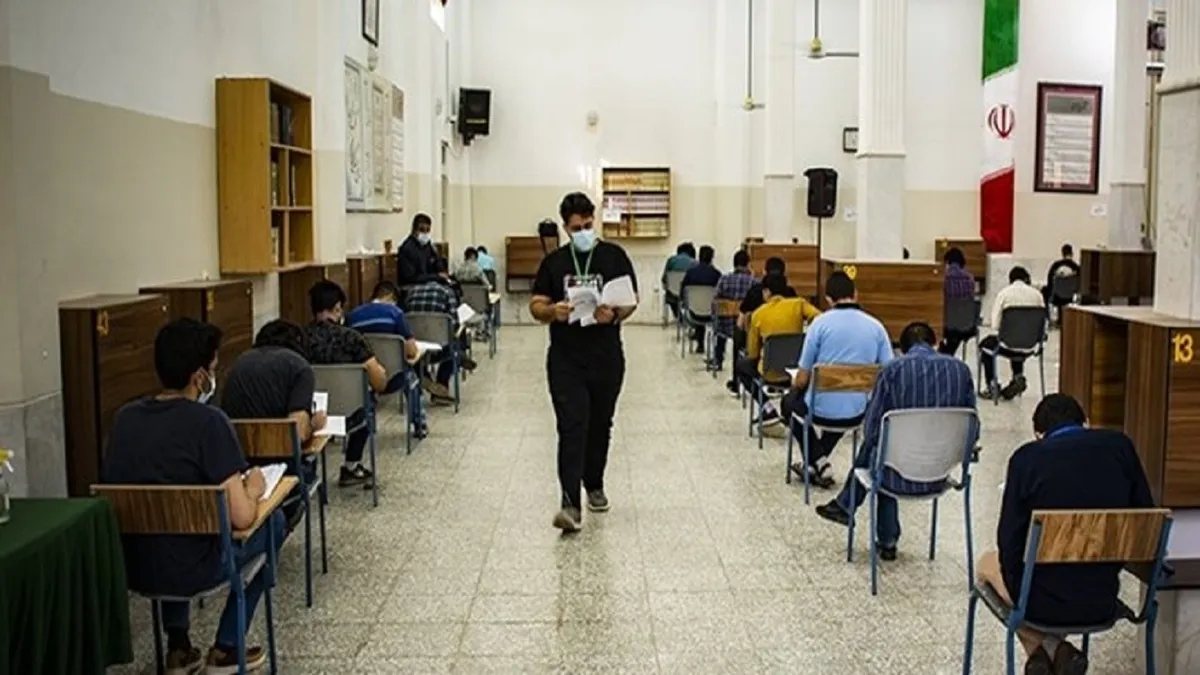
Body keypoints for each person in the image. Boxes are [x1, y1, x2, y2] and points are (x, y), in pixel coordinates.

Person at [101, 318, 283, 674]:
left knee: (169, 527)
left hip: (135, 567)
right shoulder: (209, 422)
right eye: (213, 369)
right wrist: (254, 487)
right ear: (199, 376)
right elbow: (242, 517)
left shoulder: (125, 419)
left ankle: (178, 646)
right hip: (196, 570)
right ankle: (227, 647)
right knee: (273, 522)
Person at [976, 393, 1152, 675]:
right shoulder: (1121, 447)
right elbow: (1144, 519)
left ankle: (1047, 648)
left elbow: (1009, 542)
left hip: (1039, 604)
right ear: (1086, 423)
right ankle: (1057, 652)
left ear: (1038, 435)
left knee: (986, 564)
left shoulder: (1026, 459)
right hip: (1102, 598)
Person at [815, 322, 976, 561]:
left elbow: (871, 429)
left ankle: (876, 530)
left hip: (895, 474)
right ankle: (849, 509)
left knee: (883, 449)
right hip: (941, 474)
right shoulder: (961, 370)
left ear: (903, 348)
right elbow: (973, 428)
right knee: (886, 447)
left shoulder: (893, 370)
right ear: (935, 343)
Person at [530, 191, 638, 532]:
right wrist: (553, 311)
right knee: (571, 425)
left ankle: (594, 483)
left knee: (600, 423)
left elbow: (631, 301)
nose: (583, 232)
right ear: (565, 228)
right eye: (576, 228)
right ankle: (569, 503)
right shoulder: (554, 262)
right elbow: (536, 305)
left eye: (588, 225)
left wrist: (615, 314)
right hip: (566, 358)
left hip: (606, 356)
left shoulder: (614, 256)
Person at [784, 272, 893, 486]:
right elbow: (889, 372)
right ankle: (818, 463)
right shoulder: (876, 327)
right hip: (857, 413)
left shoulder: (819, 325)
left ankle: (817, 461)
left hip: (819, 411)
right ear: (856, 294)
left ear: (828, 299)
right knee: (844, 404)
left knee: (789, 403)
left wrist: (795, 381)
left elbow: (803, 379)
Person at [220, 319, 328, 528]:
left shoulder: (238, 363)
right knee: (310, 465)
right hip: (282, 469)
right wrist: (314, 424)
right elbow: (297, 432)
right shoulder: (299, 366)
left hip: (237, 472)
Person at [304, 280, 390, 488]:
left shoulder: (299, 339)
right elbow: (379, 382)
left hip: (312, 415)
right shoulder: (351, 338)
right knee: (367, 402)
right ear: (337, 308)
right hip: (351, 413)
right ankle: (351, 465)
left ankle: (307, 469)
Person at [734, 274, 821, 426]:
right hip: (797, 371)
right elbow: (820, 318)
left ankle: (768, 408)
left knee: (741, 366)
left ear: (767, 292)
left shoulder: (759, 313)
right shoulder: (799, 304)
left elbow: (753, 353)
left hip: (770, 372)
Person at [346, 281, 428, 436]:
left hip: (364, 379)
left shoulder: (353, 316)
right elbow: (411, 350)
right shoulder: (395, 313)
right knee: (411, 378)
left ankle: (367, 427)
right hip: (394, 376)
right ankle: (419, 424)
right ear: (390, 296)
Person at [405, 275, 477, 404]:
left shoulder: (412, 292)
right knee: (455, 344)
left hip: (416, 344)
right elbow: (454, 322)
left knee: (411, 353)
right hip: (441, 343)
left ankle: (423, 376)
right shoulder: (447, 292)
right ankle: (442, 383)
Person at [980, 266, 1045, 400]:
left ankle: (992, 385)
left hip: (1007, 344)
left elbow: (995, 325)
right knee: (1019, 342)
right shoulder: (1038, 295)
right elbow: (1043, 324)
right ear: (1026, 279)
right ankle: (1017, 376)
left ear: (1010, 280)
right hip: (1031, 346)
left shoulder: (1004, 294)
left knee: (986, 345)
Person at [711, 249, 756, 373]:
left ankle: (718, 359)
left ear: (734, 264)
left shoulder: (724, 279)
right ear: (748, 264)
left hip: (724, 327)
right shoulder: (754, 282)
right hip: (745, 328)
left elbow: (715, 302)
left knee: (720, 327)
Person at [680, 244, 722, 354]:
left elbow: (682, 292)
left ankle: (700, 343)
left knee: (697, 307)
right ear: (712, 258)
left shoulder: (690, 273)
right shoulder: (716, 274)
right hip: (711, 314)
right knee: (708, 306)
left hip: (692, 313)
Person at [939, 246, 978, 356]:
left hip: (946, 325)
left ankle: (946, 352)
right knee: (957, 330)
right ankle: (947, 352)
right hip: (966, 326)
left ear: (947, 262)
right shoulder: (970, 278)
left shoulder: (943, 278)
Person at [397, 213, 444, 288]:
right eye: (422, 230)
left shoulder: (427, 246)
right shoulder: (407, 249)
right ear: (414, 230)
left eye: (428, 230)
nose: (425, 233)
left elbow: (438, 267)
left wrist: (436, 256)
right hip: (412, 287)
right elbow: (410, 277)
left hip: (428, 283)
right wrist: (436, 276)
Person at [1042, 243, 1081, 315]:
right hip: (1070, 297)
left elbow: (1050, 282)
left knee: (1044, 290)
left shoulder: (1055, 266)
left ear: (1062, 253)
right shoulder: (1076, 268)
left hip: (1057, 297)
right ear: (1072, 253)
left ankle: (1048, 316)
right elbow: (1080, 284)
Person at [661, 242, 696, 320]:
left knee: (671, 297)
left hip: (672, 295)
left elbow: (664, 279)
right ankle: (690, 319)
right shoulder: (694, 262)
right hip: (689, 296)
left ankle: (679, 318)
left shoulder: (671, 260)